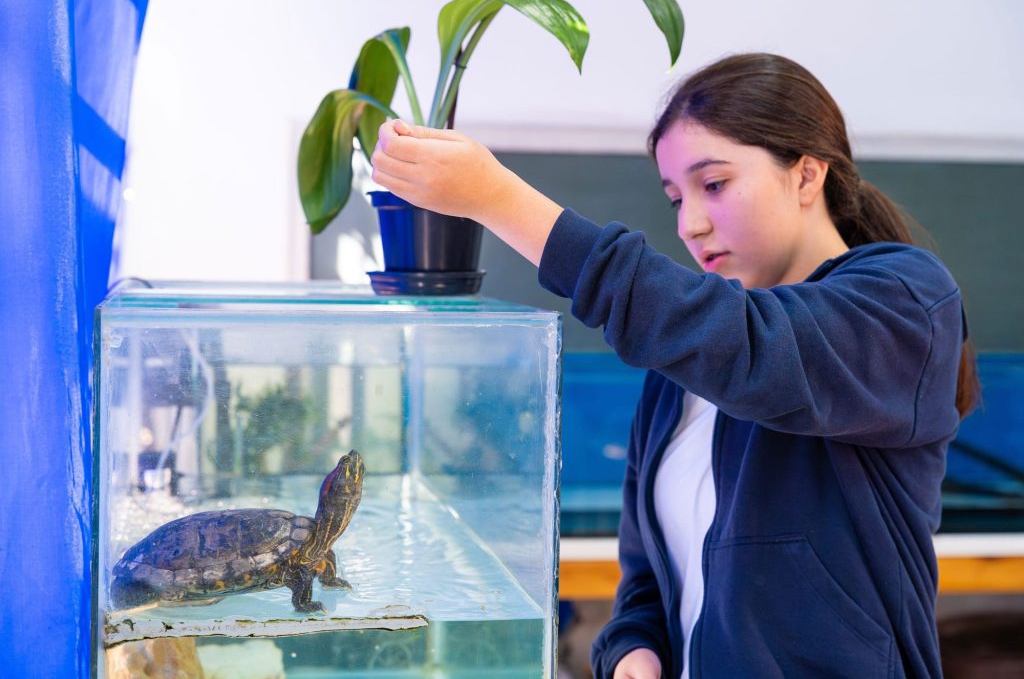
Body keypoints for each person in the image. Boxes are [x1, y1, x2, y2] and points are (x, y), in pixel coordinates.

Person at [372, 53, 979, 679]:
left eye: (713, 184)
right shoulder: (678, 372)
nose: (690, 225)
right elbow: (647, 580)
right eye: (675, 199)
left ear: (806, 175)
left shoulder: (904, 297)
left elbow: (756, 352)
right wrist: (632, 648)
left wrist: (496, 199)